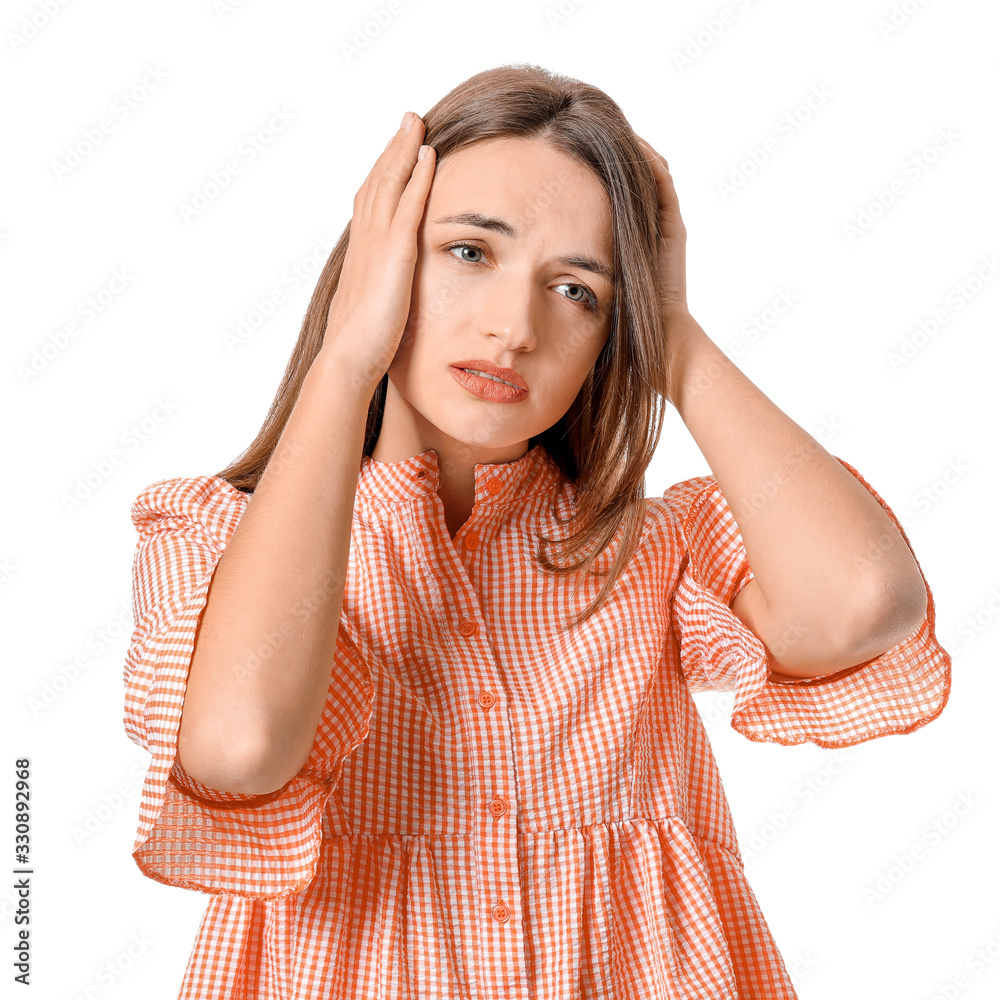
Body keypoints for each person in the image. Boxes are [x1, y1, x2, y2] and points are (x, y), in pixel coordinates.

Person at [122, 63, 951, 999]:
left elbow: (866, 602)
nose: (515, 326)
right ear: (380, 258)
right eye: (471, 252)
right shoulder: (209, 535)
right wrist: (349, 355)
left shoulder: (652, 551)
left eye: (578, 292)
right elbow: (238, 748)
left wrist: (669, 333)